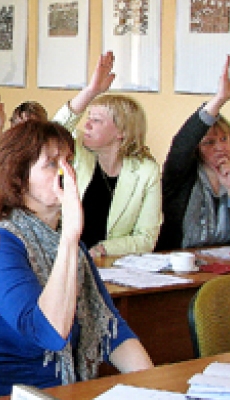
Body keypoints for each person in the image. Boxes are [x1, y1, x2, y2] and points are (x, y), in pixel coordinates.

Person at [0, 120, 153, 400]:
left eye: (69, 160)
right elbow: (47, 332)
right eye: (52, 163)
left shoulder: (68, 243)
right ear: (19, 176)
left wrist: (154, 385)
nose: (66, 171)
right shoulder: (1, 244)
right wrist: (69, 237)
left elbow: (109, 327)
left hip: (62, 394)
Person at [52, 51, 162, 257]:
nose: (87, 124)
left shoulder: (146, 171)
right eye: (88, 117)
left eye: (97, 120)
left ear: (122, 132)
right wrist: (91, 91)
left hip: (111, 265)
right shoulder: (77, 150)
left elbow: (146, 238)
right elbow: (52, 132)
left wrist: (104, 250)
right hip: (62, 257)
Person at [157, 56, 230, 250]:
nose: (220, 147)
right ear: (197, 149)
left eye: (224, 139)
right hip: (180, 265)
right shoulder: (182, 176)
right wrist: (219, 100)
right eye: (209, 143)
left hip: (222, 268)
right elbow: (182, 143)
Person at [0, 94, 47, 179]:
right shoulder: (8, 147)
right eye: (19, 124)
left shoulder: (48, 151)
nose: (24, 131)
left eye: (30, 126)